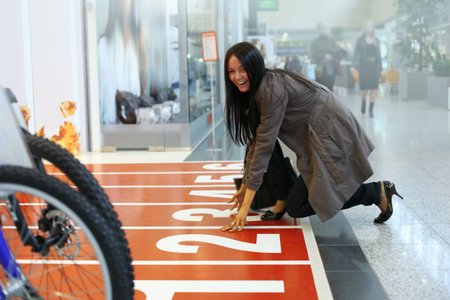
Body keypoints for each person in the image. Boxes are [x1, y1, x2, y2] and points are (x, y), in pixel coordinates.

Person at [221, 42, 403, 232]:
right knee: (265, 142)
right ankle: (282, 195)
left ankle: (375, 192)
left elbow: (264, 147)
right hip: (314, 132)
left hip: (329, 131)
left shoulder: (270, 89)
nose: (237, 77)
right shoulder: (257, 88)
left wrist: (244, 208)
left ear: (255, 66)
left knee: (297, 206)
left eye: (243, 70)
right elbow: (258, 142)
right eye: (231, 71)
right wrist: (245, 185)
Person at [97, 0, 146, 125]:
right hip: (114, 121)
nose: (127, 3)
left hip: (135, 118)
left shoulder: (137, 40)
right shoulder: (104, 44)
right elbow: (105, 88)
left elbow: (142, 79)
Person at [352, 20, 382, 118]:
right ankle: (363, 101)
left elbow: (379, 55)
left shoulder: (376, 40)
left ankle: (371, 110)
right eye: (366, 27)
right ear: (364, 29)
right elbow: (355, 54)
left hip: (374, 67)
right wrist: (353, 66)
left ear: (372, 29)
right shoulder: (359, 40)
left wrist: (380, 68)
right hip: (364, 67)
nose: (368, 29)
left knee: (373, 89)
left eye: (370, 27)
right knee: (364, 89)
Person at [310, 23, 339, 91]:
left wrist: (331, 57)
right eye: (325, 29)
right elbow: (313, 54)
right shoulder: (315, 42)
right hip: (319, 67)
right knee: (320, 87)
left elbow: (338, 52)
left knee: (330, 87)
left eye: (328, 29)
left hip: (331, 67)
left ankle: (330, 101)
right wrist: (324, 56)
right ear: (320, 30)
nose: (327, 31)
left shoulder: (332, 41)